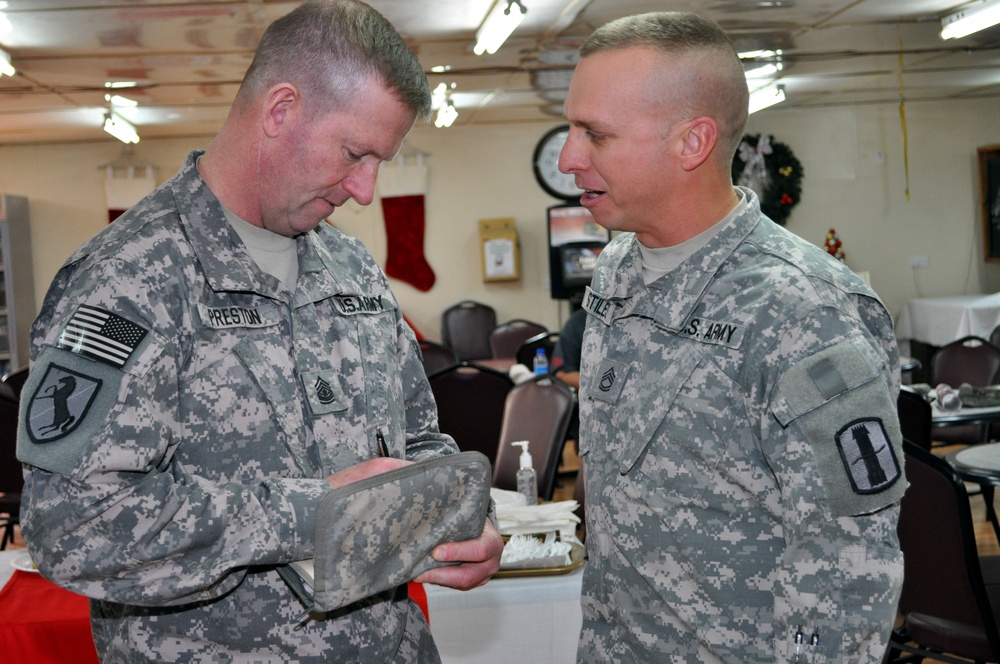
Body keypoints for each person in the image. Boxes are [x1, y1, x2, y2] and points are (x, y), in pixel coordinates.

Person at [15, 1, 502, 661]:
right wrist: (317, 511)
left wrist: (464, 514)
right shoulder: (123, 282)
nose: (366, 189)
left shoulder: (352, 266)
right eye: (355, 153)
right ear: (280, 111)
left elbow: (417, 436)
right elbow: (73, 527)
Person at [559, 12, 905, 663]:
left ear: (692, 143)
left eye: (595, 135)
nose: (568, 158)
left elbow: (849, 562)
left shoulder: (804, 306)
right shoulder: (616, 272)